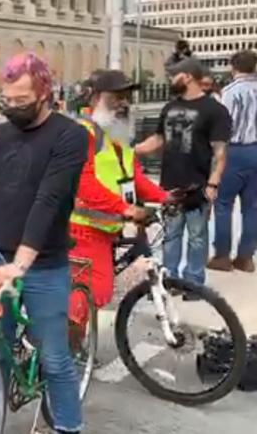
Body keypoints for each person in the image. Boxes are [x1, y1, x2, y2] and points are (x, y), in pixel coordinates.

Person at [0, 53, 87, 434]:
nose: (13, 108)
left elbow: (50, 199)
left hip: (43, 261)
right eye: (7, 100)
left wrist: (22, 263)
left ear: (45, 92)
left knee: (55, 356)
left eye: (22, 101)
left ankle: (68, 426)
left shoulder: (70, 135)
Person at [67, 70, 167, 338]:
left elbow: (134, 178)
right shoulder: (84, 132)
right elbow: (83, 182)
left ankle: (79, 347)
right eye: (116, 97)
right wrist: (125, 209)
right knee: (94, 290)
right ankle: (64, 355)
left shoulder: (117, 135)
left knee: (87, 292)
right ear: (98, 97)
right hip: (81, 229)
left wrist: (166, 197)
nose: (123, 103)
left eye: (127, 97)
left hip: (107, 226)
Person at [135, 58, 231, 288]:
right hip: (170, 183)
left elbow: (220, 150)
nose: (170, 79)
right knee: (171, 235)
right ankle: (170, 279)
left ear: (187, 77)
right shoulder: (170, 107)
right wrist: (131, 151)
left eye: (173, 75)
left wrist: (213, 183)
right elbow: (158, 139)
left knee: (197, 237)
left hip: (199, 183)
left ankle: (194, 282)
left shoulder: (215, 110)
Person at [208, 51, 257, 274]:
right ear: (255, 67)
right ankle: (246, 257)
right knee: (251, 204)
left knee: (223, 204)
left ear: (233, 67)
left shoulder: (229, 93)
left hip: (235, 150)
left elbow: (223, 126)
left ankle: (222, 255)